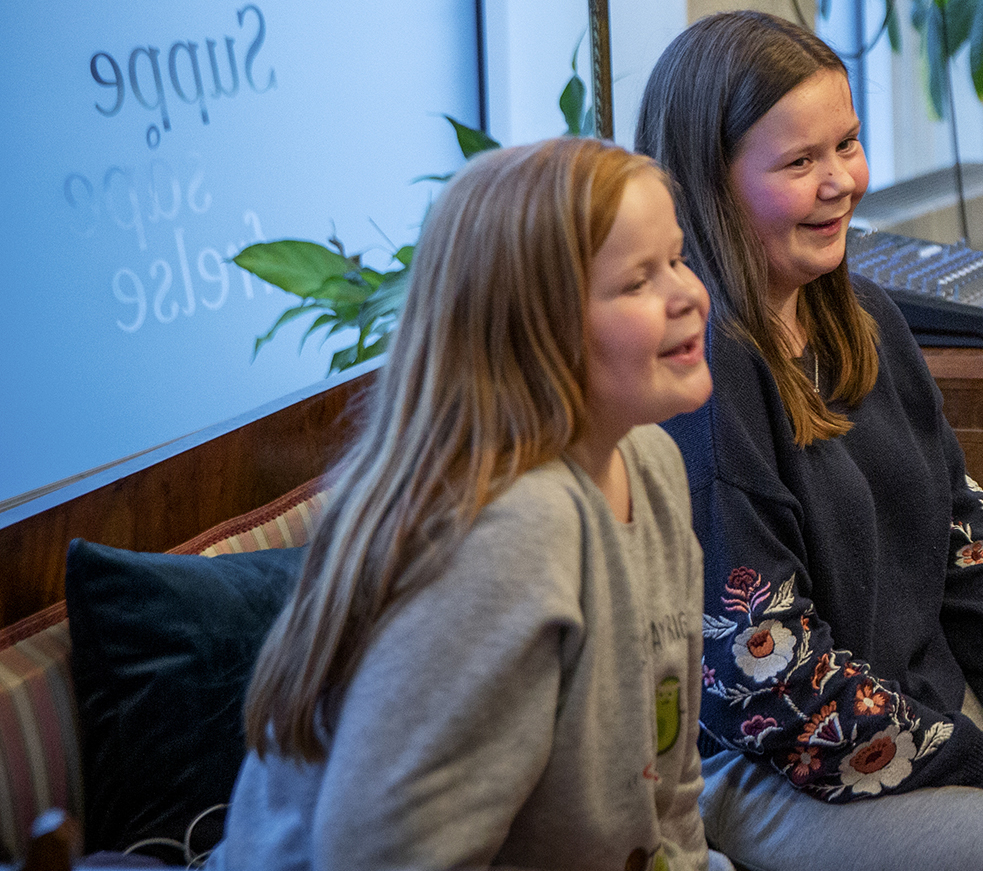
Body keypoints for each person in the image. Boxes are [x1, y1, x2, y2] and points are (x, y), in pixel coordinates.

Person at [639, 11, 983, 871]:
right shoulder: (705, 377)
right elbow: (780, 692)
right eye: (800, 163)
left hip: (931, 711)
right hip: (786, 772)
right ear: (706, 184)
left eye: (849, 143)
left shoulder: (868, 319)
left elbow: (975, 557)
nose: (841, 181)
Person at [224, 137, 720, 870]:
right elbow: (376, 854)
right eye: (638, 280)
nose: (689, 293)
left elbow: (670, 801)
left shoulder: (651, 460)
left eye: (676, 259)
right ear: (533, 329)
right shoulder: (517, 527)